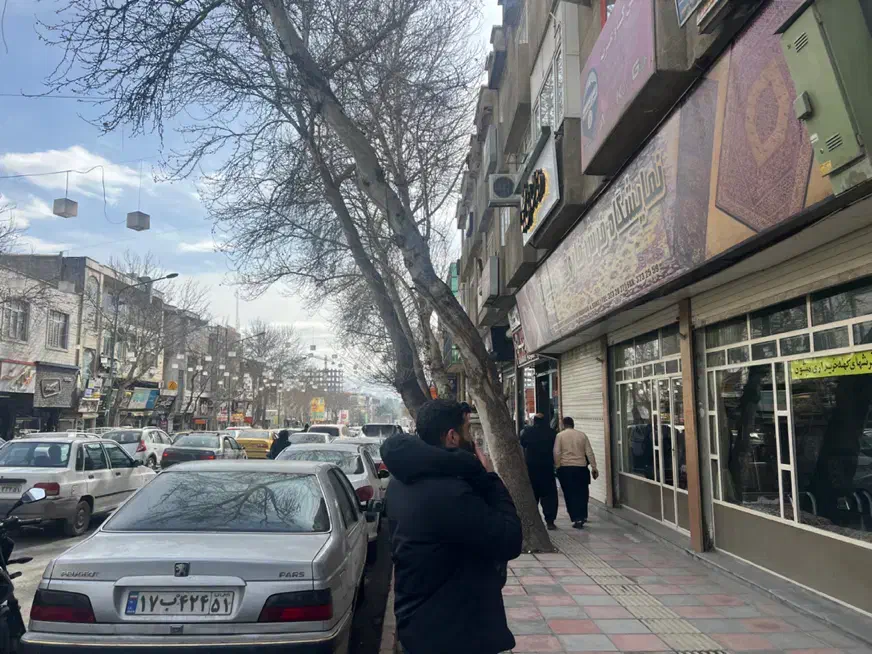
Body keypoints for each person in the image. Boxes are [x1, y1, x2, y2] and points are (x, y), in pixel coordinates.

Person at [381, 399, 522, 654]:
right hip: (454, 632)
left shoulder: (400, 482)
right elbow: (510, 539)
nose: (473, 439)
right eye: (468, 430)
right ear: (452, 437)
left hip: (418, 622)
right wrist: (489, 477)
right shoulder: (451, 494)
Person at [554, 416, 598, 529]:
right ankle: (583, 515)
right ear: (573, 424)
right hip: (581, 468)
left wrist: (558, 466)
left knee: (570, 494)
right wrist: (594, 467)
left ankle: (576, 517)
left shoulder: (560, 436)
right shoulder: (582, 435)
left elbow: (557, 452)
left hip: (566, 468)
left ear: (563, 425)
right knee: (582, 493)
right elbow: (589, 452)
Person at [520, 413, 558, 530]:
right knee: (549, 496)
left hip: (531, 468)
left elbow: (523, 443)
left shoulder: (528, 431)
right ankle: (550, 521)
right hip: (547, 468)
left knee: (532, 495)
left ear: (534, 421)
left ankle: (532, 521)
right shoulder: (552, 433)